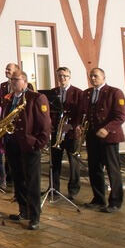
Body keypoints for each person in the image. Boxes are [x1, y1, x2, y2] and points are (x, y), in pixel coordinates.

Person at [2, 68, 51, 230]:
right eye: (11, 80)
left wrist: (38, 144)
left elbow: (45, 124)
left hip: (30, 145)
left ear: (24, 81)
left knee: (32, 182)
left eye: (16, 80)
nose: (12, 82)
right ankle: (23, 211)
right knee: (18, 180)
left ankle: (35, 216)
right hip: (12, 144)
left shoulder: (36, 98)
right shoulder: (9, 99)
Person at [80, 67, 125, 213]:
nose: (93, 78)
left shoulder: (114, 92)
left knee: (112, 169)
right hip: (92, 137)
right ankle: (99, 199)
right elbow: (84, 113)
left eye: (96, 76)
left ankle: (115, 202)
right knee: (94, 169)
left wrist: (107, 128)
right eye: (91, 76)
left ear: (103, 77)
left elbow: (121, 116)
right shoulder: (87, 93)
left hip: (109, 137)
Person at [48, 67, 84, 200]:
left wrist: (72, 126)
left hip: (71, 132)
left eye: (65, 76)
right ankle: (54, 189)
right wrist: (51, 125)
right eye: (60, 76)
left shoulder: (78, 93)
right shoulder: (53, 92)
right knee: (54, 161)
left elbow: (81, 112)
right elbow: (49, 111)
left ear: (70, 77)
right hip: (56, 130)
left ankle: (73, 190)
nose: (62, 78)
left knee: (73, 162)